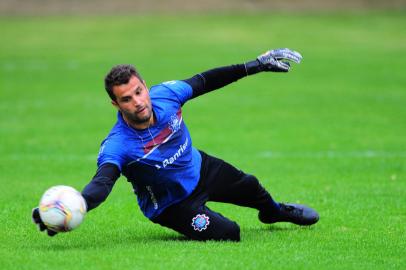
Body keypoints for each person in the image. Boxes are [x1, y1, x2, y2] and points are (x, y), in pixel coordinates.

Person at [32, 48, 319, 241]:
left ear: (145, 86)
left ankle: (275, 212)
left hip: (199, 167)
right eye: (127, 99)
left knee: (252, 186)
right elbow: (102, 183)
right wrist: (75, 206)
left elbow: (206, 80)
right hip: (171, 205)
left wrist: (255, 65)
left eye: (138, 92)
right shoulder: (118, 144)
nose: (138, 102)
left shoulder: (167, 96)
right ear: (115, 104)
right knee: (229, 232)